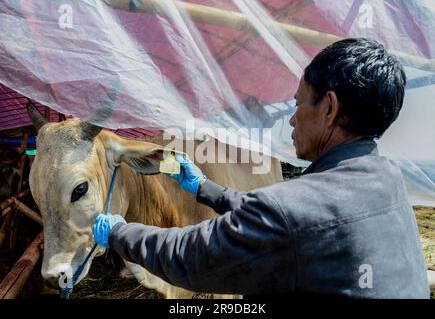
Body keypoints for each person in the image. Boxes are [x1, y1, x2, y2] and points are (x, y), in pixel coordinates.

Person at [93, 38, 429, 298]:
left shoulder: (293, 209)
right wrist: (205, 189)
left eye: (298, 104)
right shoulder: (386, 176)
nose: (293, 119)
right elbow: (292, 222)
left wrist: (119, 232)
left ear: (329, 108)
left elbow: (191, 256)